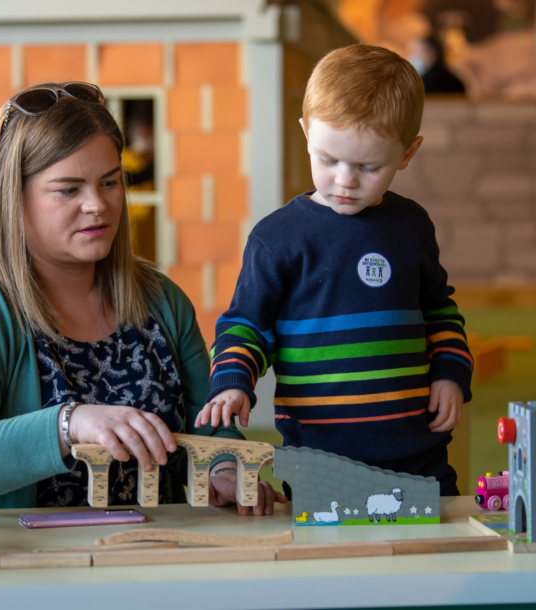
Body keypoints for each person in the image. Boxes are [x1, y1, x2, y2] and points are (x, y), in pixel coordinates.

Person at [0, 82, 286, 515]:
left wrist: (223, 469)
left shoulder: (162, 301)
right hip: (20, 572)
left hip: (151, 559)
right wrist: (70, 424)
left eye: (109, 182)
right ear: (11, 197)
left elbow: (209, 428)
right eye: (68, 189)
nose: (98, 205)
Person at [196, 45, 472, 496]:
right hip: (318, 457)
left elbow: (440, 311)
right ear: (305, 133)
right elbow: (246, 325)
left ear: (407, 152)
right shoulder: (276, 238)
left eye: (368, 166)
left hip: (417, 450)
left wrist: (449, 372)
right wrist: (233, 383)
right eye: (328, 159)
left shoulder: (412, 225)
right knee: (327, 562)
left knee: (433, 553)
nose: (345, 179)